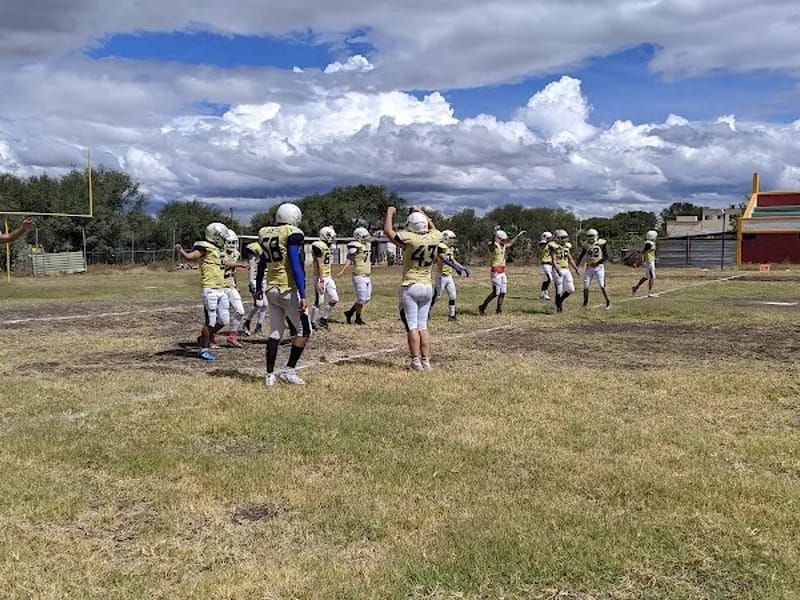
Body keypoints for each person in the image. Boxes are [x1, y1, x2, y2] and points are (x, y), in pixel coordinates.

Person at [256, 202, 310, 386]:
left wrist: (258, 286)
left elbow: (262, 263)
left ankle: (269, 375)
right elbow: (295, 265)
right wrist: (303, 293)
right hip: (287, 289)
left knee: (275, 331)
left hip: (270, 288)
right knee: (304, 330)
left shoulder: (266, 233)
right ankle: (289, 370)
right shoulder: (291, 233)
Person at [384, 206, 444, 371]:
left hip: (411, 285)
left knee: (412, 326)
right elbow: (433, 227)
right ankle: (426, 361)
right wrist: (421, 212)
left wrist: (389, 212)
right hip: (427, 286)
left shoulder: (410, 238)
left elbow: (388, 231)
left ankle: (416, 361)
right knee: (423, 326)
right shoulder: (435, 236)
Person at [175, 222, 231, 361]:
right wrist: (182, 252)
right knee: (210, 321)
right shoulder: (204, 247)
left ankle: (203, 338)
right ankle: (204, 349)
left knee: (224, 320)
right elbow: (191, 257)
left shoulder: (217, 250)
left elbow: (222, 264)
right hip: (210, 288)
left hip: (220, 288)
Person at [478, 227, 525, 315]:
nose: (505, 241)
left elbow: (510, 243)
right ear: (498, 239)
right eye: (503, 240)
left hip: (502, 271)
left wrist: (518, 235)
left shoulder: (503, 246)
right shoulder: (494, 246)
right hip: (495, 272)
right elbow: (492, 245)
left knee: (503, 292)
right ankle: (482, 307)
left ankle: (499, 310)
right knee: (496, 292)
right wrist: (494, 235)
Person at [431, 229, 470, 321]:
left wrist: (463, 268)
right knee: (437, 296)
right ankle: (426, 311)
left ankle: (452, 315)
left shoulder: (450, 248)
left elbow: (453, 260)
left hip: (448, 276)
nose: (452, 240)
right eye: (451, 238)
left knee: (453, 295)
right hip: (441, 276)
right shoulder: (440, 246)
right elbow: (444, 259)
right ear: (445, 237)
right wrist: (455, 268)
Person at [337, 227, 372, 325]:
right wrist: (342, 271)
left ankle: (350, 312)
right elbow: (349, 259)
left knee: (367, 298)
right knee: (361, 299)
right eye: (364, 236)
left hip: (367, 275)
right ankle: (357, 318)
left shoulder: (366, 245)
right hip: (359, 275)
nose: (366, 238)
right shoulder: (355, 246)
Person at [221, 230, 248, 347]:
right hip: (218, 286)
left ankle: (232, 336)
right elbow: (224, 263)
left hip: (230, 284)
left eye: (234, 242)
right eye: (229, 242)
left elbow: (234, 271)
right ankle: (208, 337)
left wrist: (236, 285)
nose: (232, 245)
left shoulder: (236, 253)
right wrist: (240, 264)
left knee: (240, 311)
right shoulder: (218, 252)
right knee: (220, 317)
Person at [309, 226, 339, 330]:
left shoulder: (327, 246)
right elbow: (319, 264)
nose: (332, 239)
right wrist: (321, 280)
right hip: (320, 277)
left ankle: (324, 319)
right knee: (319, 302)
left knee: (334, 299)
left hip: (328, 276)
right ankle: (312, 322)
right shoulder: (318, 245)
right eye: (331, 236)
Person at [576, 228, 611, 310]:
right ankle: (585, 303)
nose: (590, 237)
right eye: (589, 236)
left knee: (602, 285)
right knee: (586, 285)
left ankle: (608, 301)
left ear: (596, 236)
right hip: (589, 267)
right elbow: (582, 255)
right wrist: (577, 264)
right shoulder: (586, 244)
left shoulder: (601, 244)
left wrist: (598, 262)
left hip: (599, 267)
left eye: (592, 236)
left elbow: (606, 256)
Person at [240, 239, 268, 336]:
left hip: (264, 280)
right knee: (258, 304)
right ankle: (246, 323)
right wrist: (251, 282)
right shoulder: (255, 251)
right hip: (255, 281)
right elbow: (252, 267)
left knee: (265, 305)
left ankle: (258, 326)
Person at [550, 228, 580, 313]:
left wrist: (576, 268)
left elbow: (570, 259)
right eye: (562, 238)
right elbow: (553, 260)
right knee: (559, 289)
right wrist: (557, 269)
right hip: (558, 269)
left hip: (566, 269)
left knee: (571, 289)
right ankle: (559, 308)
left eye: (565, 237)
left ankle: (560, 301)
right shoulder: (554, 247)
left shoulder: (566, 247)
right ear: (557, 238)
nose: (564, 239)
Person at [632, 230, 658, 297]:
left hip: (650, 261)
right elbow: (643, 252)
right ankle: (650, 293)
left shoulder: (650, 243)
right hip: (649, 262)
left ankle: (635, 288)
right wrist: (638, 261)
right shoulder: (649, 244)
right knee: (652, 277)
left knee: (647, 277)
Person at [538, 231, 554, 300]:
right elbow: (542, 245)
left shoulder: (550, 244)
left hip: (550, 264)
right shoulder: (543, 244)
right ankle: (545, 293)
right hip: (545, 263)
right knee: (550, 278)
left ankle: (543, 293)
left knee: (546, 279)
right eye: (549, 238)